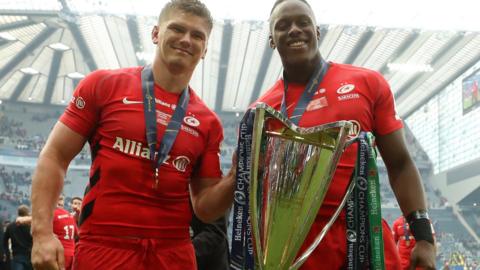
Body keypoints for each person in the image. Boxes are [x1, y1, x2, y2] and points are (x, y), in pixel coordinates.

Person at [29, 1, 235, 269]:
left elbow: (206, 208)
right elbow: (55, 156)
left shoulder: (208, 123)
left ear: (205, 49)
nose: (186, 39)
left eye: (197, 35)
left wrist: (235, 177)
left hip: (173, 254)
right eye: (177, 29)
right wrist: (42, 233)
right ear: (155, 34)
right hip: (104, 247)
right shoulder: (103, 85)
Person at [250, 0, 437, 269]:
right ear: (271, 40)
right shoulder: (261, 112)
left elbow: (400, 163)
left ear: (317, 31)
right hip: (297, 248)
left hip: (365, 236)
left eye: (303, 22)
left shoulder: (366, 83)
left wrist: (424, 238)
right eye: (283, 25)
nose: (294, 30)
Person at [3, 205, 33, 270]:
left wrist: (7, 253)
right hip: (30, 256)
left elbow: (4, 241)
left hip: (17, 256)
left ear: (18, 213)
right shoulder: (31, 226)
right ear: (27, 213)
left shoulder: (10, 226)